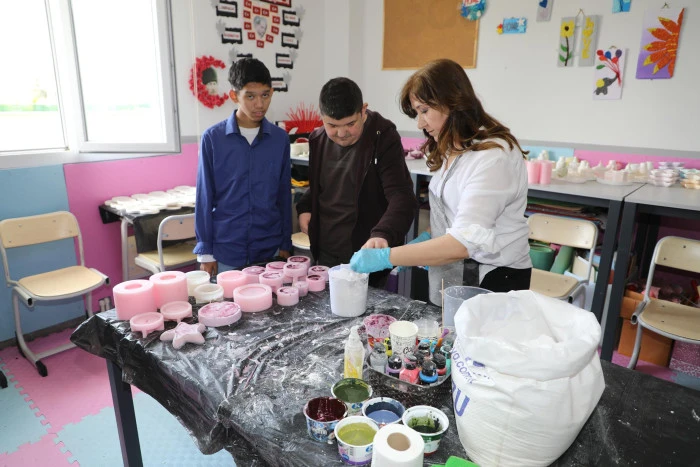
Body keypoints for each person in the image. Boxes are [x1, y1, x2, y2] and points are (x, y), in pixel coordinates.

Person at [350, 58, 532, 303]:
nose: (420, 123)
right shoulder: (453, 148)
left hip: (495, 278)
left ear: (452, 102)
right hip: (461, 272)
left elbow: (462, 244)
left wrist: (388, 257)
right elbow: (455, 215)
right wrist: (428, 237)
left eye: (424, 110)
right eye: (417, 113)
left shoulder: (493, 157)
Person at [295, 77, 417, 288]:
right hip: (325, 251)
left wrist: (383, 234)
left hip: (366, 253)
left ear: (363, 110)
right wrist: (306, 206)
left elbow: (402, 195)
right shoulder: (318, 139)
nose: (342, 134)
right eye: (332, 125)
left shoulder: (383, 137)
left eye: (350, 124)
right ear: (321, 116)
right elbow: (323, 184)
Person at [194, 58, 291, 276]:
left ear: (272, 93)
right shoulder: (213, 139)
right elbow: (204, 198)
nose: (260, 104)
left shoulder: (280, 140)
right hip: (226, 251)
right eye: (250, 96)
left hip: (269, 249)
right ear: (234, 96)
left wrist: (285, 242)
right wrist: (205, 252)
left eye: (265, 95)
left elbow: (284, 195)